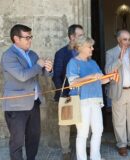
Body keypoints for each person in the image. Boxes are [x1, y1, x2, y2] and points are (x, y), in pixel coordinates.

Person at [1, 24, 53, 160]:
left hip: (34, 103)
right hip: (16, 106)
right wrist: (39, 65)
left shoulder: (33, 54)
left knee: (34, 138)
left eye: (31, 37)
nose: (30, 40)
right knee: (17, 141)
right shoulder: (8, 56)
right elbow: (22, 76)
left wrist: (48, 68)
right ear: (16, 39)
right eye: (27, 37)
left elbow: (43, 74)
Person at [66, 36, 110, 160]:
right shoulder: (73, 62)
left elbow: (101, 81)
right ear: (81, 47)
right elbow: (73, 83)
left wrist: (110, 77)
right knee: (83, 133)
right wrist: (90, 76)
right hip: (82, 101)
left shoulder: (93, 62)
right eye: (89, 46)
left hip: (96, 100)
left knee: (98, 130)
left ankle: (95, 157)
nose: (92, 48)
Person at [105, 30, 130, 156]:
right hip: (118, 91)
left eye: (129, 39)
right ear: (118, 40)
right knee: (119, 120)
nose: (128, 42)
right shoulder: (111, 53)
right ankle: (121, 145)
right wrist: (120, 59)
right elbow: (108, 71)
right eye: (124, 39)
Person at [52, 24, 84, 159]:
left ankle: (83, 147)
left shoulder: (86, 51)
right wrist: (64, 93)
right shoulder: (61, 53)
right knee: (65, 125)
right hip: (66, 94)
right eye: (80, 36)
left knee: (83, 122)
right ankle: (66, 151)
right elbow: (56, 76)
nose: (83, 38)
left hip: (84, 94)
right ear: (72, 37)